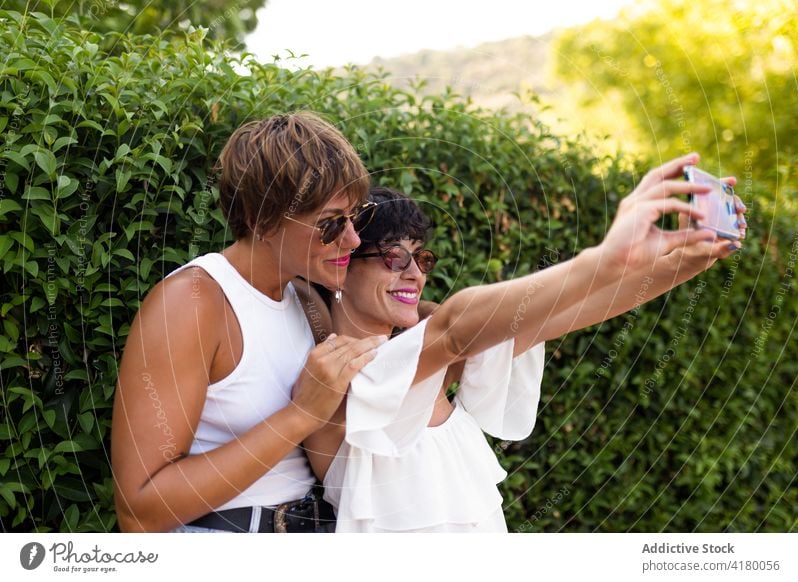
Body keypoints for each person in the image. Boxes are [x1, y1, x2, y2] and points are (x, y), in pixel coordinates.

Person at [301, 160, 746, 532]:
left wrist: (687, 259)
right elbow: (453, 326)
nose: (415, 273)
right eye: (393, 256)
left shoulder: (434, 365)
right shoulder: (331, 377)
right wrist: (607, 256)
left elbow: (577, 309)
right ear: (343, 267)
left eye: (422, 257)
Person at [111, 112, 386, 533]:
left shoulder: (306, 298)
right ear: (263, 220)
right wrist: (299, 415)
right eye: (330, 224)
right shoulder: (193, 303)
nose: (351, 239)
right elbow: (141, 509)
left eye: (355, 217)